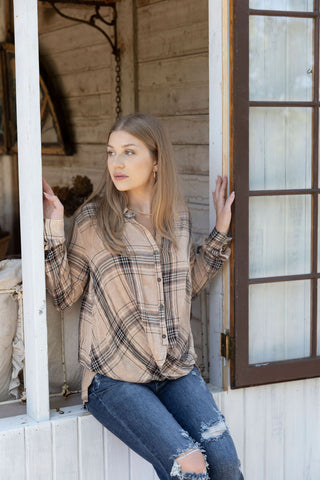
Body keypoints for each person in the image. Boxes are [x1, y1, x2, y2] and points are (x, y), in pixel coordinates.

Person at [42, 113, 243, 480]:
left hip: (176, 369)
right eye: (111, 152)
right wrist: (54, 225)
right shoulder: (93, 219)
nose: (116, 163)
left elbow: (187, 286)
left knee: (226, 465)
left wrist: (220, 231)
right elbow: (62, 295)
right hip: (115, 379)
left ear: (156, 161)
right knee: (189, 465)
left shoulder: (176, 217)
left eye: (129, 152)